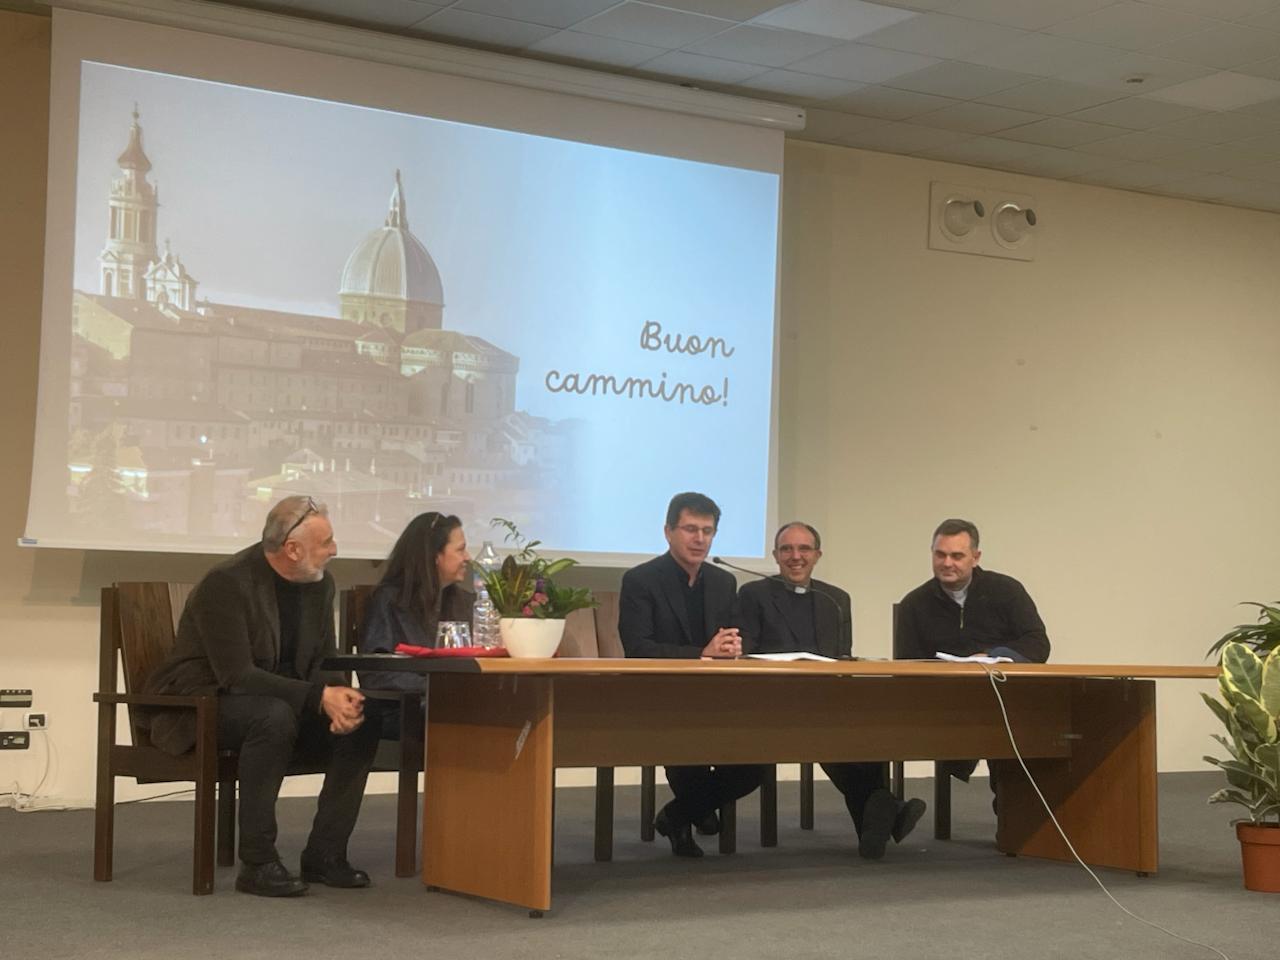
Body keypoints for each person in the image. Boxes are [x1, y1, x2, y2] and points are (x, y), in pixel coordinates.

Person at [146, 495, 378, 897]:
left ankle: (325, 854)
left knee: (364, 720)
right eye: (326, 542)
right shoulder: (227, 582)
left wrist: (339, 697)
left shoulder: (320, 584)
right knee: (271, 716)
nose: (334, 550)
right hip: (205, 704)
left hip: (281, 703)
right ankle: (257, 862)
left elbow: (324, 658)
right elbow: (236, 676)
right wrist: (317, 697)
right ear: (293, 549)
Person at [738, 521, 927, 860]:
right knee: (832, 737)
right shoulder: (754, 595)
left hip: (825, 701)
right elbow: (746, 654)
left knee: (865, 733)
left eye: (804, 549)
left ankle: (876, 822)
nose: (795, 557)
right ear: (775, 556)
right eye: (786, 549)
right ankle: (887, 811)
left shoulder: (835, 599)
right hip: (772, 703)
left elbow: (842, 660)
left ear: (817, 555)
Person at [618, 491, 766, 858]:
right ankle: (691, 814)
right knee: (684, 745)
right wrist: (702, 653)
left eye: (707, 531)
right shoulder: (641, 580)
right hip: (661, 696)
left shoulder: (722, 581)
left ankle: (678, 814)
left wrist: (735, 645)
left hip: (718, 695)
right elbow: (638, 648)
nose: (700, 539)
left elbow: (736, 633)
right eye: (690, 529)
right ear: (668, 532)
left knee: (758, 760)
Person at [895, 517, 1050, 790]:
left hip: (1004, 696)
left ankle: (1012, 807)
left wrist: (992, 656)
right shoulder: (915, 604)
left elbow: (1038, 643)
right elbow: (906, 665)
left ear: (975, 558)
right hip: (944, 703)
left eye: (957, 556)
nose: (947, 563)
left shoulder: (1006, 591)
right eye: (940, 555)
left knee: (1023, 727)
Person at [357, 511, 473, 714]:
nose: (468, 558)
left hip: (457, 705)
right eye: (460, 550)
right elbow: (375, 673)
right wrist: (436, 688)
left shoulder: (464, 601)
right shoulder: (387, 601)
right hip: (406, 711)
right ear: (434, 555)